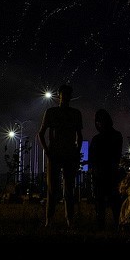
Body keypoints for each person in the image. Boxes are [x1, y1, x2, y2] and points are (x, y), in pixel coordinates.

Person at [37, 83, 83, 229]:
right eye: (64, 94)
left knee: (68, 188)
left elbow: (79, 135)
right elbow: (41, 133)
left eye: (68, 95)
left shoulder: (74, 113)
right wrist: (47, 150)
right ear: (60, 96)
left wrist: (76, 151)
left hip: (67, 153)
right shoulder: (52, 112)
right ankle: (50, 220)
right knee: (54, 188)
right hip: (56, 153)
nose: (66, 97)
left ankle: (67, 219)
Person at [88, 108, 124, 230]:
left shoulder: (97, 139)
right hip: (110, 172)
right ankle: (117, 224)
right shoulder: (117, 136)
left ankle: (101, 225)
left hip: (102, 173)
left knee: (101, 202)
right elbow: (116, 155)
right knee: (114, 201)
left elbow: (92, 158)